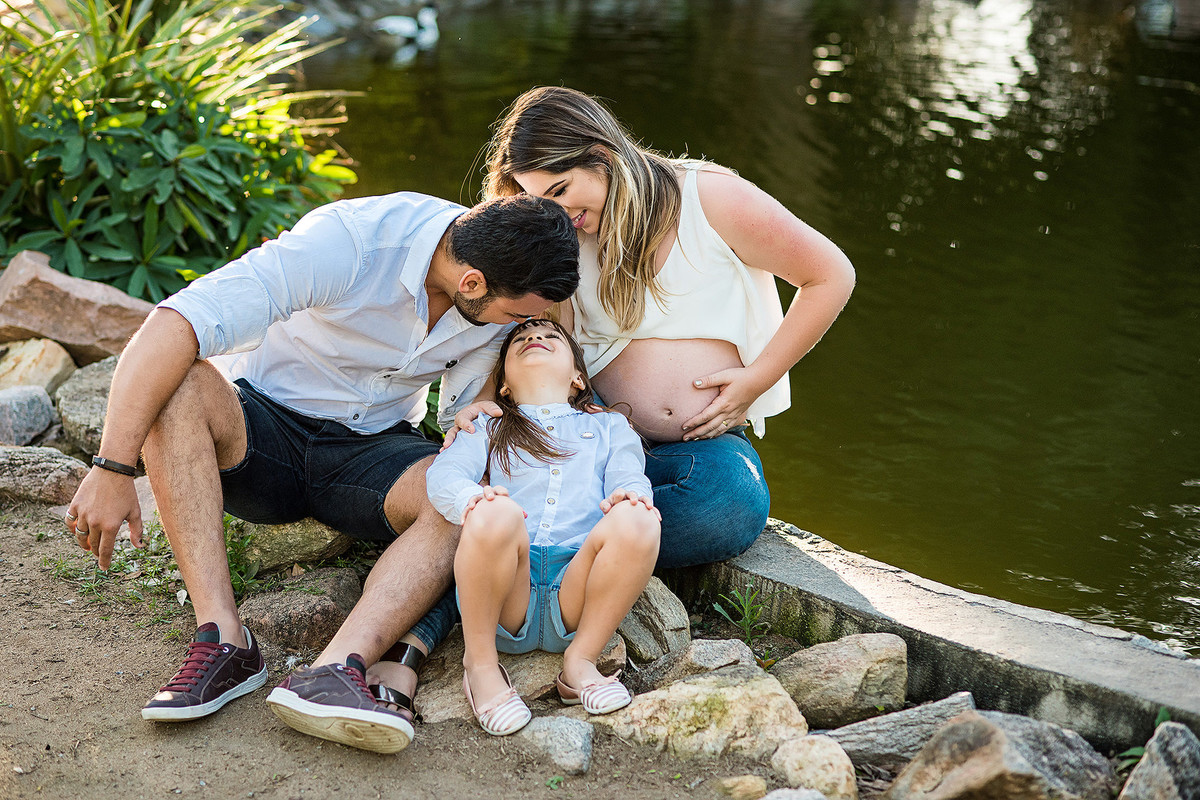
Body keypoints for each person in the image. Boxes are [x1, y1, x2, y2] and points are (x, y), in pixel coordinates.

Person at [63, 191, 580, 754]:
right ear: (473, 283)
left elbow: (462, 413)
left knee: (468, 501)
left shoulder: (497, 289)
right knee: (183, 384)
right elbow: (179, 319)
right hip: (264, 427)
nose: (524, 326)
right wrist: (112, 467)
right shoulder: (353, 241)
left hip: (373, 450)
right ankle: (224, 639)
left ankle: (333, 671)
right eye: (517, 316)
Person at [455, 85, 857, 568]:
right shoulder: (565, 234)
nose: (560, 214)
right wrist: (486, 397)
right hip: (587, 432)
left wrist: (758, 378)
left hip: (698, 446)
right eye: (542, 201)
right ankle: (567, 563)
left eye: (561, 190)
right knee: (485, 482)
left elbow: (830, 275)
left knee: (725, 504)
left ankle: (547, 556)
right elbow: (536, 326)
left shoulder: (708, 197)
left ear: (602, 154)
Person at [427, 319, 660, 736]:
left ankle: (580, 662)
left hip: (578, 587)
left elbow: (629, 477)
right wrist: (474, 500)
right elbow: (444, 476)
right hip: (506, 593)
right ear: (503, 386)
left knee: (640, 516)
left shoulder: (609, 427)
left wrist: (629, 498)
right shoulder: (486, 426)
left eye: (552, 336)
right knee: (496, 508)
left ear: (576, 377)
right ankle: (480, 666)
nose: (536, 338)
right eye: (521, 339)